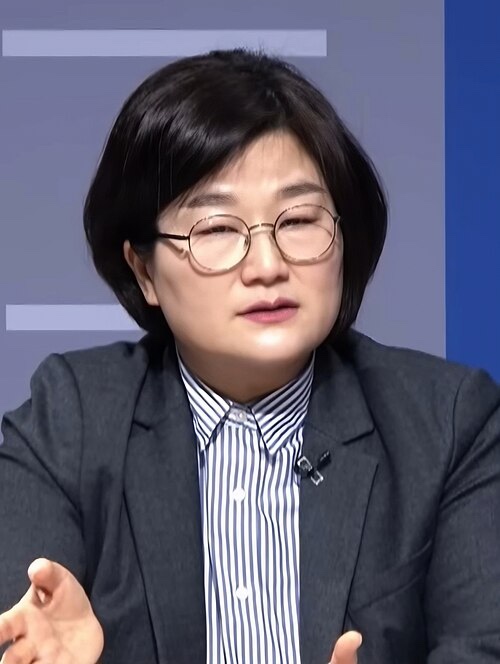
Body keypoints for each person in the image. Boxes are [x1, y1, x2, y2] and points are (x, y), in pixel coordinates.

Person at [0, 48, 499, 664]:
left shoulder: (450, 423)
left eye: (299, 220)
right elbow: (22, 630)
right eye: (215, 230)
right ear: (143, 270)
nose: (267, 266)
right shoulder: (69, 422)